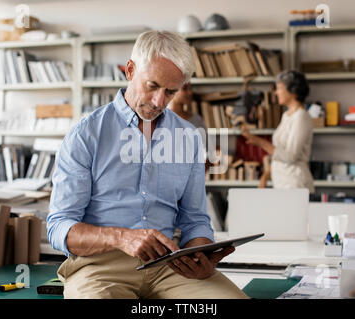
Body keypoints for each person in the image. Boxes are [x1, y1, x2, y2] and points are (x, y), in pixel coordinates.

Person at [47, 30, 248, 299]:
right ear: (130, 70)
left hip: (171, 266)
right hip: (99, 267)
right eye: (152, 86)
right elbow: (59, 227)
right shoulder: (86, 134)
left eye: (170, 92)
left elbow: (195, 219)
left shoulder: (188, 137)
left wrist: (201, 255)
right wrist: (121, 238)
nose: (159, 102)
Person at [241, 70, 315, 193]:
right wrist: (266, 175)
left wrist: (260, 142)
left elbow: (290, 156)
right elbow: (279, 154)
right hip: (281, 184)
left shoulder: (301, 117)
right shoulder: (286, 115)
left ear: (293, 91)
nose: (276, 92)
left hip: (295, 185)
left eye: (280, 88)